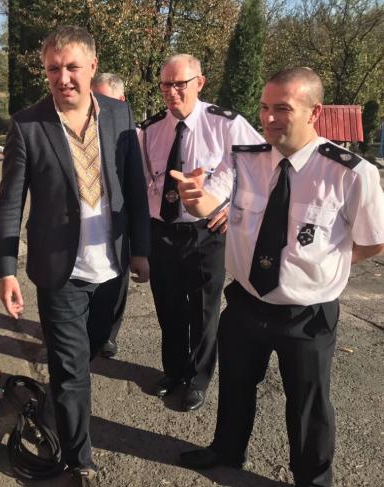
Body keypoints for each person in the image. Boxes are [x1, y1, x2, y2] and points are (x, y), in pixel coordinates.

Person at [174, 67, 384, 487]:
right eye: (265, 107)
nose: (268, 118)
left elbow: (374, 240)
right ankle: (227, 449)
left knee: (308, 405)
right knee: (235, 385)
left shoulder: (349, 172)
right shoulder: (246, 158)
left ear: (314, 112)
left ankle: (312, 478)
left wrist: (325, 267)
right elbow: (215, 202)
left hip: (306, 315)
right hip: (246, 301)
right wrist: (196, 203)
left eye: (282, 109)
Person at [0, 26, 150, 485]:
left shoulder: (119, 114)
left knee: (93, 349)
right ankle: (79, 458)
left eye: (72, 67)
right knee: (70, 369)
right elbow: (9, 202)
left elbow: (135, 186)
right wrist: (6, 270)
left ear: (92, 67)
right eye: (53, 69)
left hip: (112, 268)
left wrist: (141, 250)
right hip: (59, 272)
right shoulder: (28, 125)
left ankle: (63, 403)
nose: (63, 78)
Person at [139, 54, 262, 411]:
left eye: (180, 84)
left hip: (205, 232)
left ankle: (198, 378)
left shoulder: (226, 124)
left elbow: (261, 168)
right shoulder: (149, 131)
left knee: (205, 311)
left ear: (200, 82)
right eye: (166, 85)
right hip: (162, 231)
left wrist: (233, 208)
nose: (172, 92)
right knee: (168, 307)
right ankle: (174, 371)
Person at [90, 72, 128, 358]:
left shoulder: (131, 132)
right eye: (95, 98)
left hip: (122, 219)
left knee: (116, 283)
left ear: (121, 100)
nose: (99, 106)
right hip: (91, 222)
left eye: (106, 99)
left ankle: (108, 335)